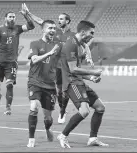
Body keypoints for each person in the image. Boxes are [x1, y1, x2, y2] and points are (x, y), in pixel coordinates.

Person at [22, 3, 94, 124]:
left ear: (68, 21)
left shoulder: (72, 35)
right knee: (60, 92)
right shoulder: (54, 32)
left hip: (66, 67)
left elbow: (85, 44)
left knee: (64, 92)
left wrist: (89, 56)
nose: (59, 21)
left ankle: (62, 111)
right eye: (58, 19)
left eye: (61, 19)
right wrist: (29, 14)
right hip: (55, 67)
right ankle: (62, 111)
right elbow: (41, 22)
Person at [57, 20, 109, 148]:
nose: (92, 35)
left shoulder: (79, 45)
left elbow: (77, 70)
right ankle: (63, 135)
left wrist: (91, 77)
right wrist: (94, 72)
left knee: (100, 108)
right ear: (83, 32)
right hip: (71, 83)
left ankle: (93, 138)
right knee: (84, 111)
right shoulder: (71, 44)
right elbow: (73, 69)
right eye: (91, 32)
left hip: (78, 82)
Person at [0, 5, 35, 115]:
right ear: (5, 18)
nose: (12, 18)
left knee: (9, 84)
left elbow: (31, 26)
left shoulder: (17, 29)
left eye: (14, 17)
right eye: (10, 17)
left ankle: (8, 107)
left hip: (11, 63)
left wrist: (26, 15)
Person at [27, 20, 62, 147]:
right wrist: (49, 53)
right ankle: (31, 139)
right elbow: (34, 59)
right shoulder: (35, 43)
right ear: (43, 30)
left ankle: (47, 128)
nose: (53, 30)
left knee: (48, 118)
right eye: (50, 28)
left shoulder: (58, 45)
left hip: (50, 85)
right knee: (34, 106)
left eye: (54, 28)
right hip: (35, 82)